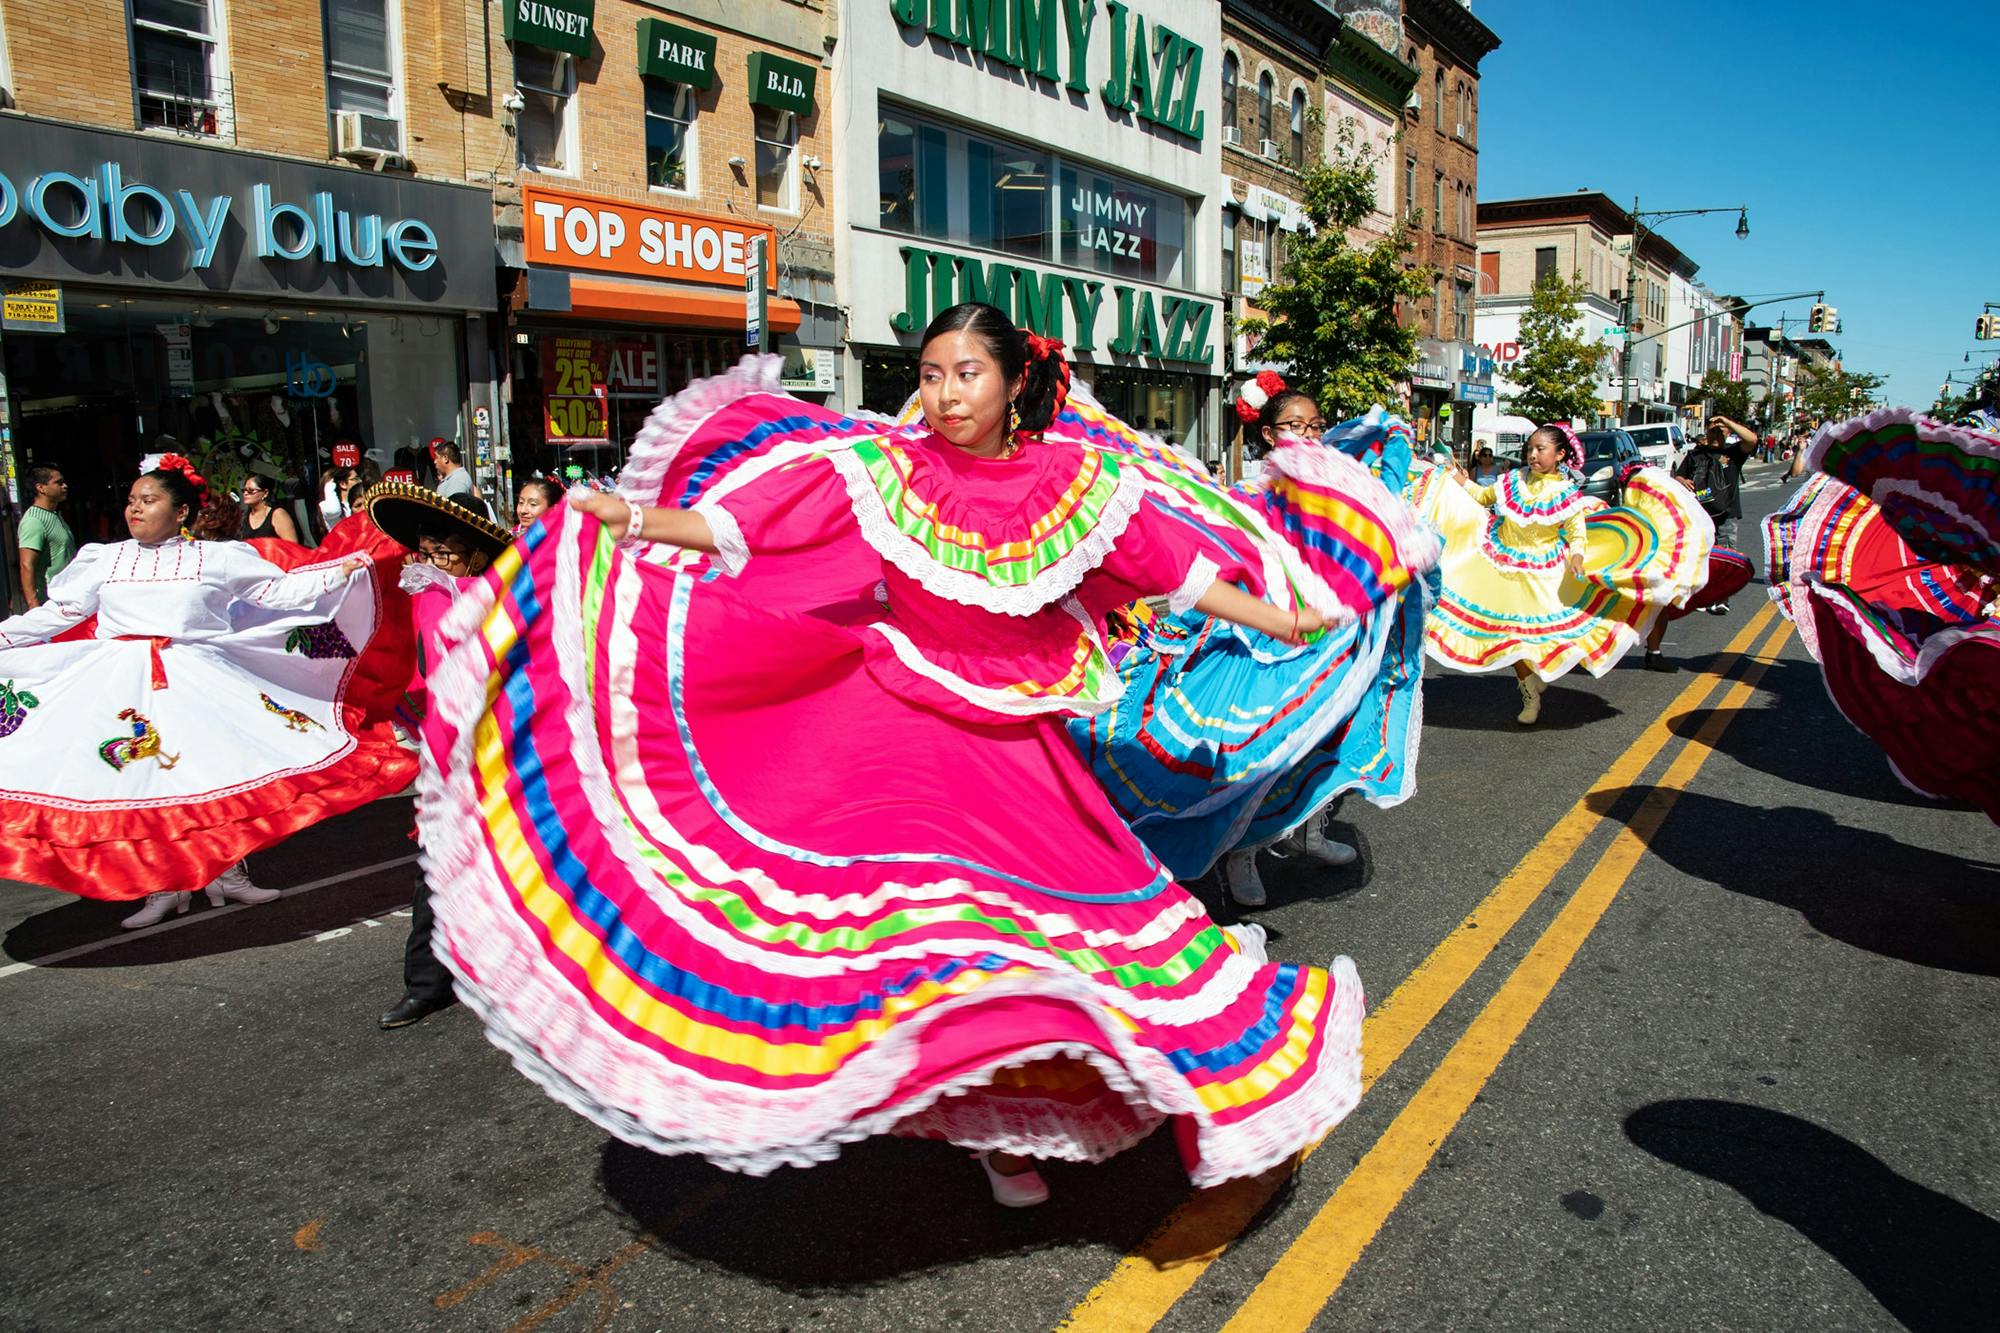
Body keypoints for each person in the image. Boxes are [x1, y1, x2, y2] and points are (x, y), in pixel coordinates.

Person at [419, 304, 1371, 1208]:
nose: (948, 393)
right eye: (930, 375)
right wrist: (630, 522)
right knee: (929, 940)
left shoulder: (1077, 484)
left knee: (1045, 950)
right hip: (900, 730)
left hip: (1021, 751)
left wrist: (1282, 614)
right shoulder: (884, 469)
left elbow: (1183, 571)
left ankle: (1011, 1125)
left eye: (968, 373)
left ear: (1011, 382)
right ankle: (973, 1131)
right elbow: (749, 529)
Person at [0, 454, 416, 925]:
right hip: (120, 687)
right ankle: (163, 885)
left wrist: (351, 567)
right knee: (144, 785)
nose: (135, 509)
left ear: (180, 513)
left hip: (198, 681)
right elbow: (60, 614)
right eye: (133, 500)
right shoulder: (106, 558)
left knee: (210, 778)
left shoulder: (217, 557)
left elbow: (279, 594)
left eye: (149, 500)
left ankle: (227, 872)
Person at [1421, 424, 1711, 724]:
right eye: (1530, 448)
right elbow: (1482, 496)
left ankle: (1534, 678)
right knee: (1510, 634)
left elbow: (1577, 532)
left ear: (1559, 454)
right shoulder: (1514, 480)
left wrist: (1576, 554)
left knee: (1533, 637)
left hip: (1542, 573)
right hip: (1500, 563)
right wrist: (1456, 477)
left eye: (1540, 449)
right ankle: (1529, 693)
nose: (1533, 455)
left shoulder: (1565, 492)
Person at [359, 481, 514, 1029]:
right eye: (428, 542)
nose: (433, 551)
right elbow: (407, 663)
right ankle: (426, 983)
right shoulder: (420, 589)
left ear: (476, 547)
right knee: (436, 867)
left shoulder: (512, 593)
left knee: (524, 870)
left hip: (512, 747)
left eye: (446, 542)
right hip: (448, 754)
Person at [1673, 415, 1758, 612]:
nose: (1715, 434)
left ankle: (1721, 599)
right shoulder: (1696, 455)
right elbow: (1679, 475)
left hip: (1726, 514)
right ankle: (1702, 596)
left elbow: (1752, 440)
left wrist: (1727, 422)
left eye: (1720, 431)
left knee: (1725, 557)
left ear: (1728, 433)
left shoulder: (1733, 452)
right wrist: (1681, 481)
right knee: (1700, 557)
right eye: (1712, 430)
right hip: (1699, 515)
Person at [17, 465, 76, 609]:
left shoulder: (54, 515)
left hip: (68, 596)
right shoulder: (34, 521)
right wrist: (34, 606)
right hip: (51, 602)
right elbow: (26, 565)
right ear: (41, 488)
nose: (64, 486)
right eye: (58, 483)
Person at [432, 440, 489, 519]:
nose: (434, 461)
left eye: (436, 457)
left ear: (445, 458)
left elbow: (454, 515)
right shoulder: (454, 478)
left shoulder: (457, 481)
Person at [238, 473, 300, 543]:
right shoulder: (243, 516)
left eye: (250, 490)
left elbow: (292, 546)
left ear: (265, 493)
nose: (245, 493)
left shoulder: (278, 514)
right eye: (244, 490)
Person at [319, 466, 358, 532]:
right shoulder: (328, 506)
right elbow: (333, 510)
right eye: (355, 479)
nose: (359, 481)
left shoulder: (358, 501)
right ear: (342, 484)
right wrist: (329, 485)